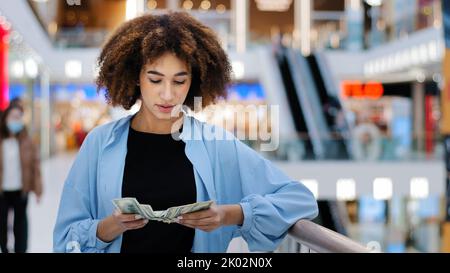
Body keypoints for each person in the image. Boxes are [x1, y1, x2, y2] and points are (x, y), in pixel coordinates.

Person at [53, 12, 318, 253]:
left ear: (195, 81)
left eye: (179, 81)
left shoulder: (216, 145)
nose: (167, 94)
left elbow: (300, 200)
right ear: (136, 76)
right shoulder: (100, 144)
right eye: (155, 79)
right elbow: (65, 240)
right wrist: (108, 227)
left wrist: (231, 215)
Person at [0, 103, 42, 253]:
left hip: (20, 190)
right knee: (2, 225)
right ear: (5, 119)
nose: (16, 121)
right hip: (2, 192)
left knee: (20, 225)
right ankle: (4, 249)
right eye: (13, 117)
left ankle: (20, 250)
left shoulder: (27, 141)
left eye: (19, 118)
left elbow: (35, 167)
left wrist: (38, 189)